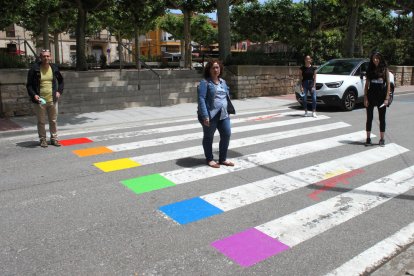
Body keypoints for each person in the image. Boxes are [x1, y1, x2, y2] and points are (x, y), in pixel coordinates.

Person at [197, 60, 235, 168]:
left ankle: (222, 159)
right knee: (209, 137)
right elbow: (201, 99)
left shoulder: (223, 82)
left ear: (220, 69)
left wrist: (228, 109)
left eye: (217, 67)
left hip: (224, 114)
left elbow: (225, 97)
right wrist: (205, 116)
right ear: (209, 70)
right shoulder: (205, 83)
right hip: (210, 115)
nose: (215, 70)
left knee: (226, 134)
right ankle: (209, 159)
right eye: (213, 68)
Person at [27, 49, 64, 148]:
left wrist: (59, 91)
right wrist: (34, 95)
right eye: (44, 56)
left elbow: (61, 81)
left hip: (52, 100)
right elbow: (29, 85)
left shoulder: (54, 68)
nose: (46, 58)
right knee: (41, 121)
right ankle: (43, 139)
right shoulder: (34, 69)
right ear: (40, 57)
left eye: (47, 56)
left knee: (53, 121)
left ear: (50, 57)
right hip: (40, 101)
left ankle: (54, 138)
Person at [363, 52, 391, 147]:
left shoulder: (385, 69)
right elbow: (367, 85)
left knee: (382, 119)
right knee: (369, 118)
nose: (375, 60)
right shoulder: (370, 69)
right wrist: (365, 97)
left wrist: (387, 98)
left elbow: (388, 85)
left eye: (377, 58)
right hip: (371, 96)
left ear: (380, 59)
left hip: (381, 97)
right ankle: (368, 138)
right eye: (374, 58)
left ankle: (382, 139)